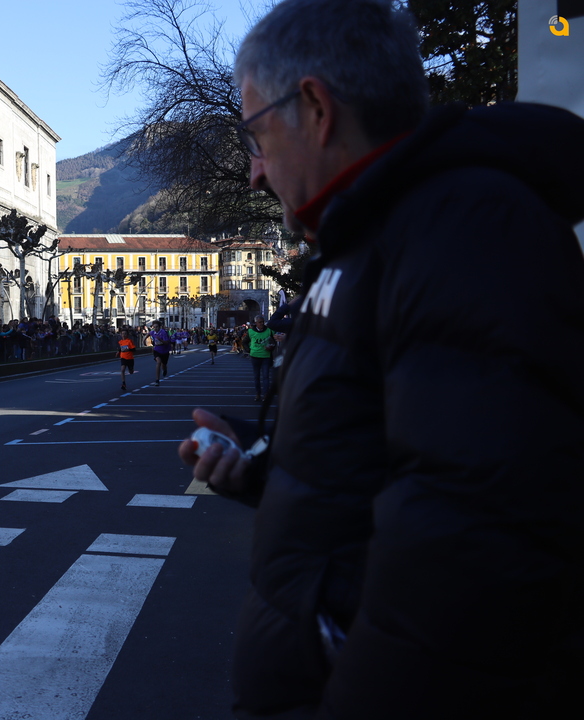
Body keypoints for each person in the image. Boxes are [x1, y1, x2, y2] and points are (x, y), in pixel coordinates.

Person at [179, 1, 584, 718]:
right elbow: (392, 459)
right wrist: (266, 464)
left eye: (256, 135)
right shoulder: (378, 236)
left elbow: (468, 546)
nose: (254, 173)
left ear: (315, 109)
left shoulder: (466, 231)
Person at [246, 315, 273, 402]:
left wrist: (271, 347)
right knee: (256, 377)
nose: (262, 324)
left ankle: (265, 394)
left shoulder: (269, 330)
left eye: (262, 322)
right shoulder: (251, 331)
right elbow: (244, 342)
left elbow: (274, 341)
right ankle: (258, 394)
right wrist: (249, 350)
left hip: (266, 356)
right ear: (255, 323)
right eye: (260, 322)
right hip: (255, 356)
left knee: (266, 376)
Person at [149, 320, 170, 386]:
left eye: (157, 327)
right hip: (157, 350)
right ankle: (157, 380)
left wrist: (160, 340)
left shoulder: (163, 332)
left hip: (164, 350)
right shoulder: (153, 332)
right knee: (158, 362)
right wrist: (144, 340)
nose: (155, 328)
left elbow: (166, 342)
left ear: (160, 327)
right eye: (154, 327)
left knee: (163, 365)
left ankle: (165, 369)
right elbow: (148, 334)